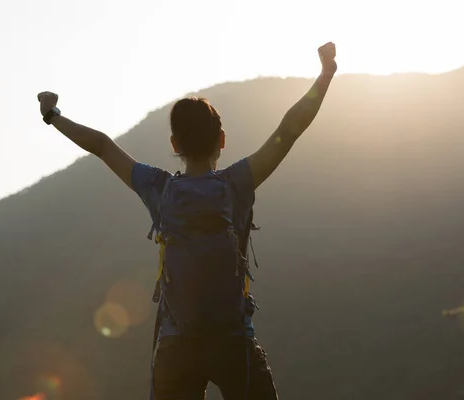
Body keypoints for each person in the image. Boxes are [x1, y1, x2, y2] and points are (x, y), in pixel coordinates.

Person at [37, 41, 337, 400]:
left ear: (174, 143)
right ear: (222, 140)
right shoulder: (237, 183)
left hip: (177, 344)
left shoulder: (159, 189)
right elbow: (290, 128)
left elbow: (101, 145)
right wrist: (325, 74)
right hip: (233, 342)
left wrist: (52, 114)